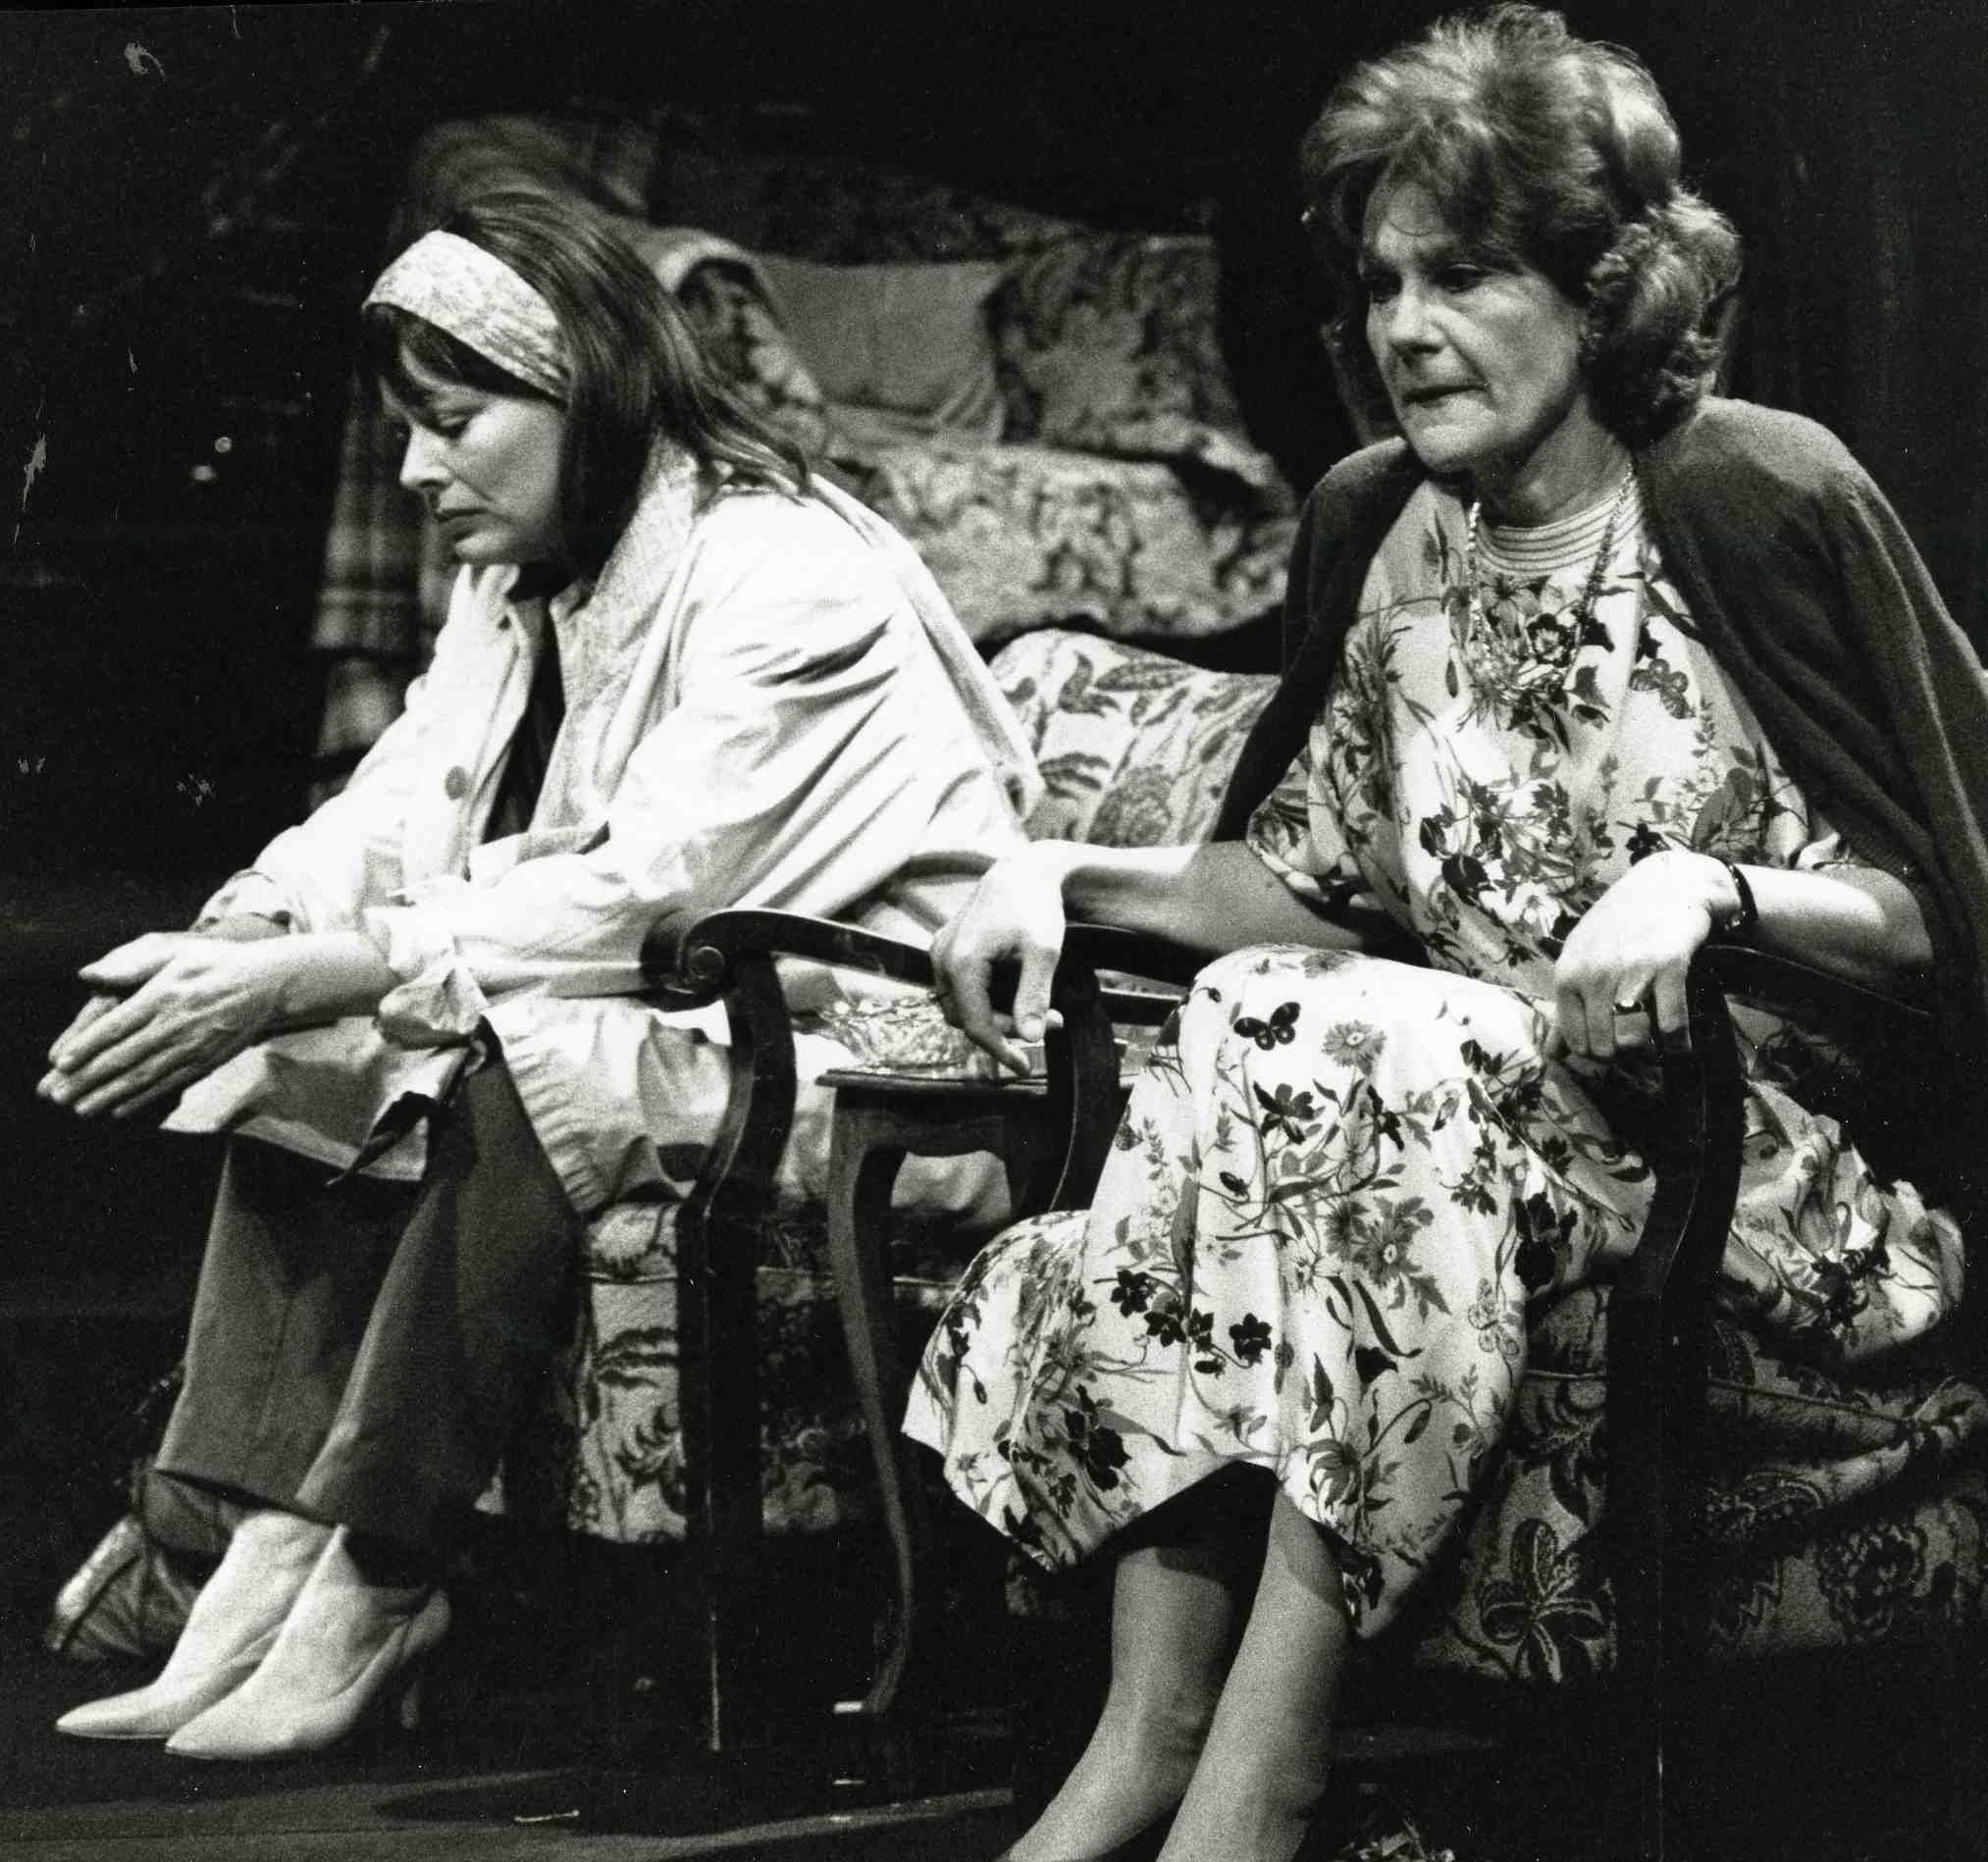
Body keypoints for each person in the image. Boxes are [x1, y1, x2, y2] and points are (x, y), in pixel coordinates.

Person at [906, 8, 1988, 1860]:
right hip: (1451, 1144)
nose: (1404, 325)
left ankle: (1248, 1774)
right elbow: (1306, 879)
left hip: (1741, 1171)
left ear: (1606, 292)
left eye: (1465, 274)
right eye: (1384, 279)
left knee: (1359, 1038)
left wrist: (1709, 888)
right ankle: (1151, 1738)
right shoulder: (1380, 527)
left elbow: (1938, 903)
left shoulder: (1754, 490)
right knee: (1261, 1008)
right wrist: (1057, 871)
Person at [40, 189, 1037, 1761]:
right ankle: (257, 1540)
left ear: (593, 392)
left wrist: (317, 969)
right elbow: (402, 792)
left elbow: (655, 886)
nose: (415, 471)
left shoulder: (782, 569)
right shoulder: (528, 574)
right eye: (409, 429)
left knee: (501, 1037)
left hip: (875, 1036)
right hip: (689, 1000)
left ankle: (379, 1568)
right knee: (317, 1037)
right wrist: (256, 925)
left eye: (454, 423)